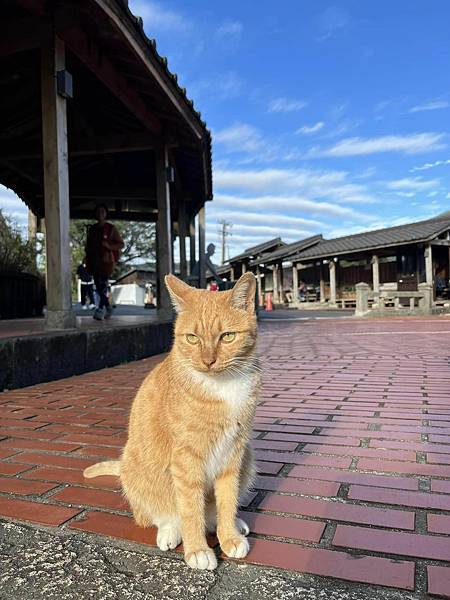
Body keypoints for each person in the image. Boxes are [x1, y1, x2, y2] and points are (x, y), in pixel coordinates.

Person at [85, 204, 124, 320]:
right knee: (98, 285)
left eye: (102, 212)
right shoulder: (92, 229)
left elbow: (121, 244)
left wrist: (109, 246)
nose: (100, 214)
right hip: (94, 261)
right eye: (98, 212)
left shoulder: (111, 228)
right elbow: (88, 245)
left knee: (102, 285)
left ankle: (100, 309)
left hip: (106, 261)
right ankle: (107, 307)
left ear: (106, 214)